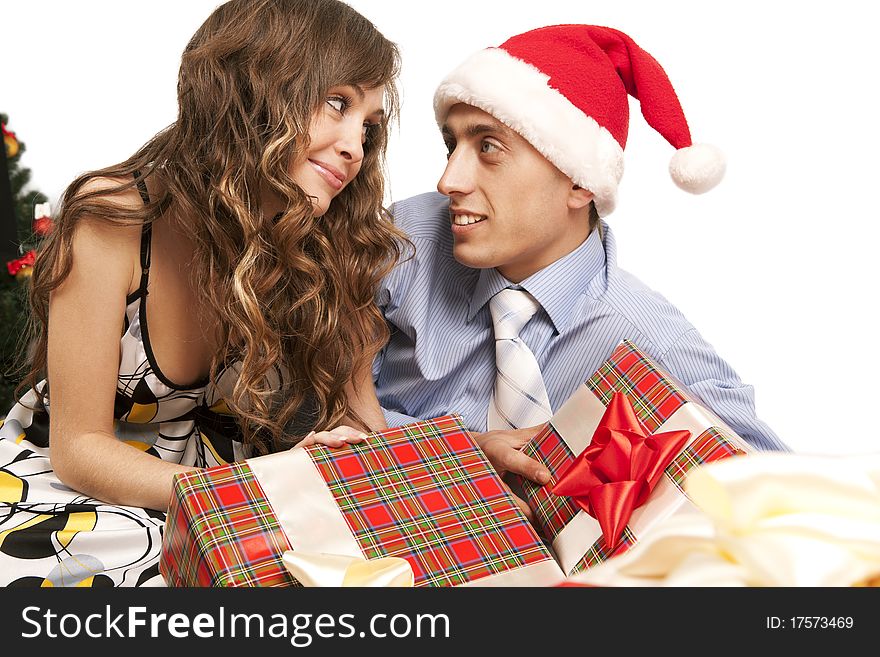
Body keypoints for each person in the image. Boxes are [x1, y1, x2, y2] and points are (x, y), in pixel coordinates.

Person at [0, 0, 402, 587]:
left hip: (229, 491)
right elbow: (79, 447)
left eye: (368, 125)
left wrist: (342, 455)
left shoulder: (328, 240)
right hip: (77, 485)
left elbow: (362, 419)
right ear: (257, 86)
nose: (354, 147)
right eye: (337, 103)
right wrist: (253, 488)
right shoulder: (113, 219)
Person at [373, 24, 789, 497]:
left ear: (579, 183)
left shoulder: (649, 340)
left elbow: (790, 503)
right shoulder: (409, 240)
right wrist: (460, 454)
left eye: (487, 147)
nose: (449, 179)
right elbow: (320, 395)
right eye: (453, 146)